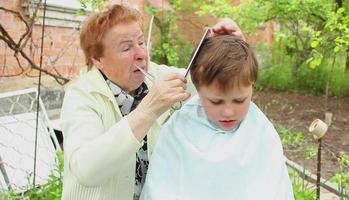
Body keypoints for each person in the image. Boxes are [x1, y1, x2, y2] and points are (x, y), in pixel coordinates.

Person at [60, 3, 242, 200]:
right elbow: (86, 171)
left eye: (141, 42)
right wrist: (148, 109)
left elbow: (208, 81)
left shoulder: (154, 75)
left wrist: (232, 47)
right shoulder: (82, 95)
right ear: (98, 59)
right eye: (126, 47)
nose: (140, 54)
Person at [140, 35, 295, 200]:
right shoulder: (179, 130)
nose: (228, 112)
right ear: (198, 91)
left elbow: (274, 188)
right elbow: (160, 189)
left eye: (239, 100)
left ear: (252, 87)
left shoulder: (260, 131)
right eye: (216, 102)